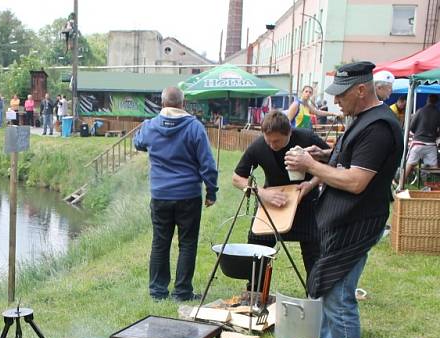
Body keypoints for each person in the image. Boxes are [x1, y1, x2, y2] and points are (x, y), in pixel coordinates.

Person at [284, 61, 403, 338]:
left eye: (341, 94)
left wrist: (310, 166)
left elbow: (357, 180)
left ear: (361, 89)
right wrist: (325, 154)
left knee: (339, 299)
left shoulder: (379, 127)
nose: (335, 100)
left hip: (356, 223)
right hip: (341, 220)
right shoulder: (363, 118)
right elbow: (352, 158)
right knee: (328, 291)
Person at [134, 86, 218, 301]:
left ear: (162, 104)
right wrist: (211, 191)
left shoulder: (150, 126)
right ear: (183, 103)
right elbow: (207, 164)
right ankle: (182, 292)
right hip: (188, 195)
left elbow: (138, 142)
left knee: (160, 242)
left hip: (160, 194)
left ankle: (157, 291)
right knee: (187, 243)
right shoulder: (194, 127)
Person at [232, 110, 329, 277]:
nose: (271, 145)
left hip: (305, 202)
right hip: (271, 204)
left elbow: (332, 163)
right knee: (257, 250)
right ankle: (255, 294)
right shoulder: (259, 146)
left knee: (314, 253)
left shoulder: (307, 138)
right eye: (268, 140)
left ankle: (315, 297)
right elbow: (237, 178)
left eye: (276, 141)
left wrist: (312, 184)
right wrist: (262, 193)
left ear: (289, 132)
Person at [401, 94, 440, 190]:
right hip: (431, 144)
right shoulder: (438, 113)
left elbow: (412, 127)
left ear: (427, 100)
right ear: (436, 102)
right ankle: (436, 188)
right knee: (434, 168)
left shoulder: (420, 111)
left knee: (409, 164)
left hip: (418, 142)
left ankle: (400, 187)